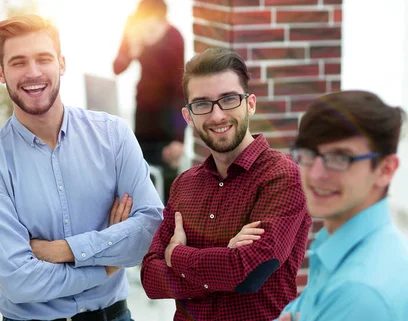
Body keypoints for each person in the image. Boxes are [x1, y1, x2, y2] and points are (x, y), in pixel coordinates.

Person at [0, 14, 163, 321]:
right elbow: (18, 281)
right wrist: (109, 262)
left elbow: (152, 229)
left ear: (62, 64)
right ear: (1, 73)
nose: (33, 73)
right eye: (18, 62)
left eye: (43, 59)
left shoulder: (113, 135)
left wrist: (65, 250)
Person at [140, 48, 312, 321]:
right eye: (202, 104)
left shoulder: (283, 177)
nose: (217, 115)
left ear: (250, 104)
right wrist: (224, 262)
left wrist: (177, 255)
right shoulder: (184, 184)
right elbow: (150, 278)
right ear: (188, 117)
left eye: (229, 99)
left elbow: (248, 275)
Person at [275, 91, 408, 321]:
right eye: (308, 153)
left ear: (385, 170)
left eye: (340, 158)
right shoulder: (337, 243)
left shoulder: (359, 293)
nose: (316, 175)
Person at [113, 0, 186, 202]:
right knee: (142, 176)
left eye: (158, 23)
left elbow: (180, 90)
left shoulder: (174, 37)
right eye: (149, 22)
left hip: (168, 119)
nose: (153, 29)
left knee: (168, 182)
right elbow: (117, 67)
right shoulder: (134, 30)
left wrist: (179, 139)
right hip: (143, 113)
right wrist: (132, 49)